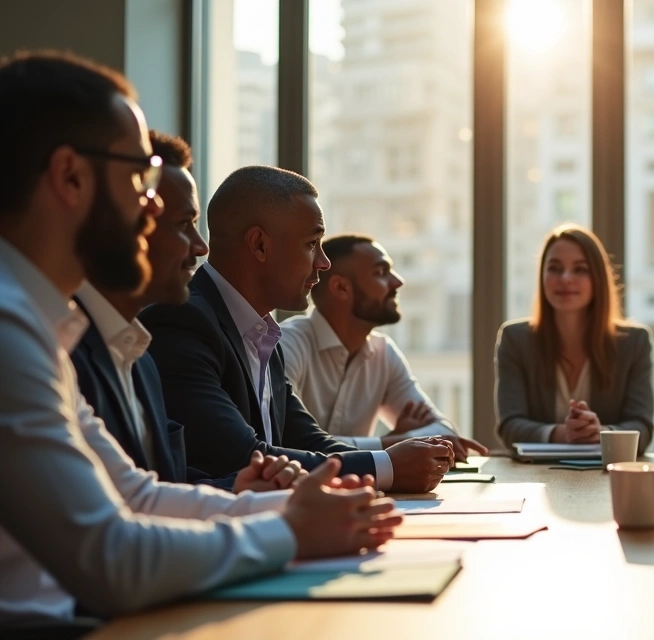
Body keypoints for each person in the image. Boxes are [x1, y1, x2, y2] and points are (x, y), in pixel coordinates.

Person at [0, 51, 400, 632]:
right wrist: (289, 529)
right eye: (139, 177)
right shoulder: (9, 329)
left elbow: (137, 496)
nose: (154, 205)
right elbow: (111, 558)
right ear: (70, 177)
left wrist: (297, 506)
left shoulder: (39, 324)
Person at [140, 165, 453, 494]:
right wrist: (387, 467)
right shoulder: (182, 321)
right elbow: (242, 457)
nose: (324, 262)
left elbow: (308, 440)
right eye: (312, 243)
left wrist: (391, 460)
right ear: (259, 245)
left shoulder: (263, 333)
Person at [70, 130, 300, 491]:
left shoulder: (138, 356)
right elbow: (111, 522)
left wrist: (242, 490)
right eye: (183, 224)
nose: (200, 247)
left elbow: (154, 486)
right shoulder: (58, 347)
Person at [280, 233, 488, 461]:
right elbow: (289, 443)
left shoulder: (383, 352)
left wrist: (396, 441)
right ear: (340, 288)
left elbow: (443, 432)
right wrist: (394, 443)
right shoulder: (286, 346)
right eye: (380, 273)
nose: (398, 282)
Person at [495, 224, 654, 452]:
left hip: (605, 476)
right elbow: (510, 426)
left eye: (580, 269)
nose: (566, 278)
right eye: (555, 268)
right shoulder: (515, 339)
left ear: (597, 279)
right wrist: (561, 434)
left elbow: (642, 427)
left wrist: (600, 433)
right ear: (542, 276)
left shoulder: (634, 342)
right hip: (538, 477)